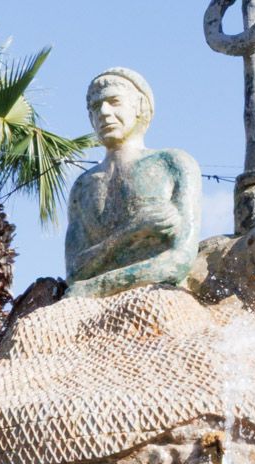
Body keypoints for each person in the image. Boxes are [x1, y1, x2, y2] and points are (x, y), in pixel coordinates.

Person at [64, 67, 203, 298]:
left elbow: (179, 260)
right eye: (95, 107)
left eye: (114, 101)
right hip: (90, 306)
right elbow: (75, 272)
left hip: (158, 296)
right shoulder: (83, 185)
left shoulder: (173, 163)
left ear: (139, 105)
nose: (104, 112)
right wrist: (133, 231)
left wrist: (94, 287)